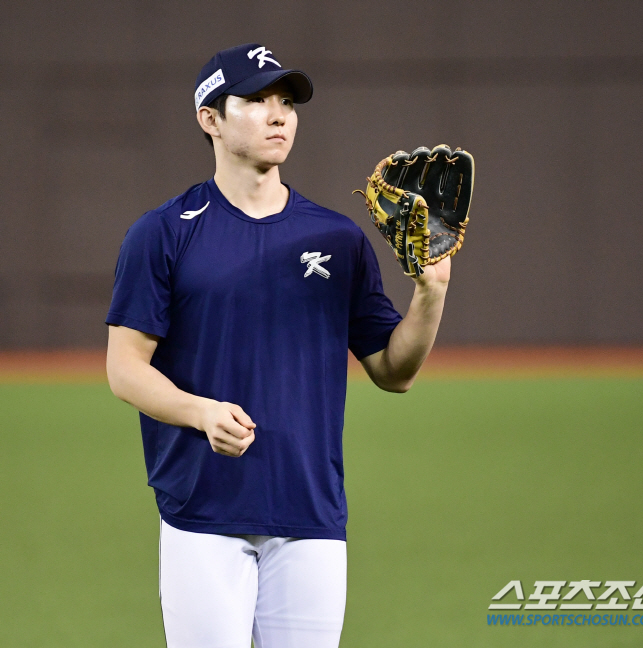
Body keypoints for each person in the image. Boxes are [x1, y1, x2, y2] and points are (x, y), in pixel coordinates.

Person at [105, 43, 451, 648]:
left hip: (310, 511)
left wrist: (431, 290)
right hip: (203, 511)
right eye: (256, 100)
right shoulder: (162, 233)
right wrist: (201, 411)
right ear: (209, 118)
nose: (278, 115)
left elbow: (394, 371)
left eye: (286, 102)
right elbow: (124, 370)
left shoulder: (337, 237)